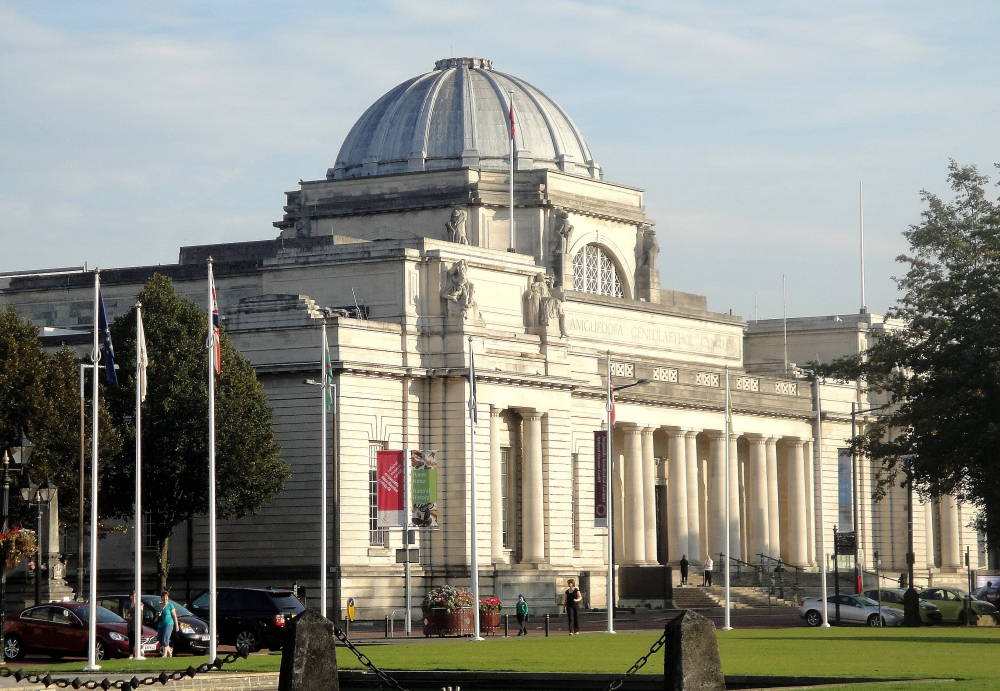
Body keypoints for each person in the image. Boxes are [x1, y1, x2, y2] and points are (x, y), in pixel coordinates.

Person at [157, 591, 178, 657]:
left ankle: (165, 654)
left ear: (168, 598)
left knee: (165, 639)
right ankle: (169, 650)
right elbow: (157, 614)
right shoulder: (159, 605)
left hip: (169, 624)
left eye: (166, 597)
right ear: (161, 598)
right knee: (160, 639)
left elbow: (174, 616)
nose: (165, 598)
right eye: (163, 597)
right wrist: (158, 615)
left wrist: (176, 625)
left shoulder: (170, 605)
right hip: (161, 624)